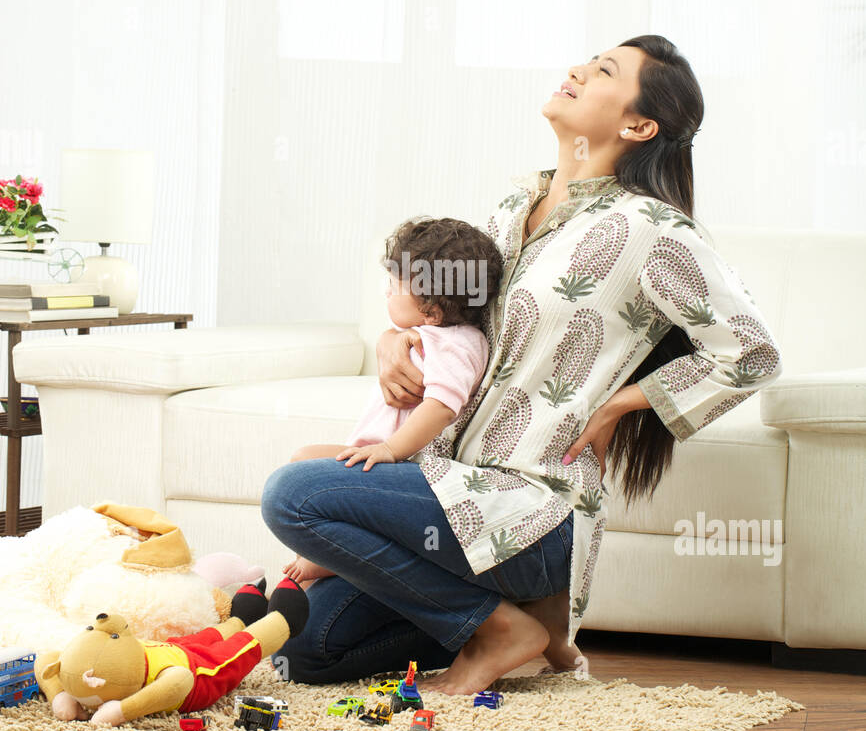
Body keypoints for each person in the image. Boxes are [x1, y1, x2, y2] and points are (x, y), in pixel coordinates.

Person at [261, 35, 783, 695]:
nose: (576, 70)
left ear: (638, 124)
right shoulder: (511, 209)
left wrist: (627, 403)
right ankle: (507, 621)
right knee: (311, 649)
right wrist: (396, 344)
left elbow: (752, 350)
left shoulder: (653, 229)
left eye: (603, 72)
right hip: (446, 493)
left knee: (294, 493)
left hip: (532, 512)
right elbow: (452, 318)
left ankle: (502, 630)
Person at [280, 215, 502, 583]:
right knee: (302, 462)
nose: (386, 291)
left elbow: (442, 407)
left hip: (405, 467)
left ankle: (327, 554)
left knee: (302, 467)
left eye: (395, 285)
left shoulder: (458, 344)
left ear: (431, 309)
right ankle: (324, 556)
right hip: (382, 458)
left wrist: (392, 449)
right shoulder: (425, 333)